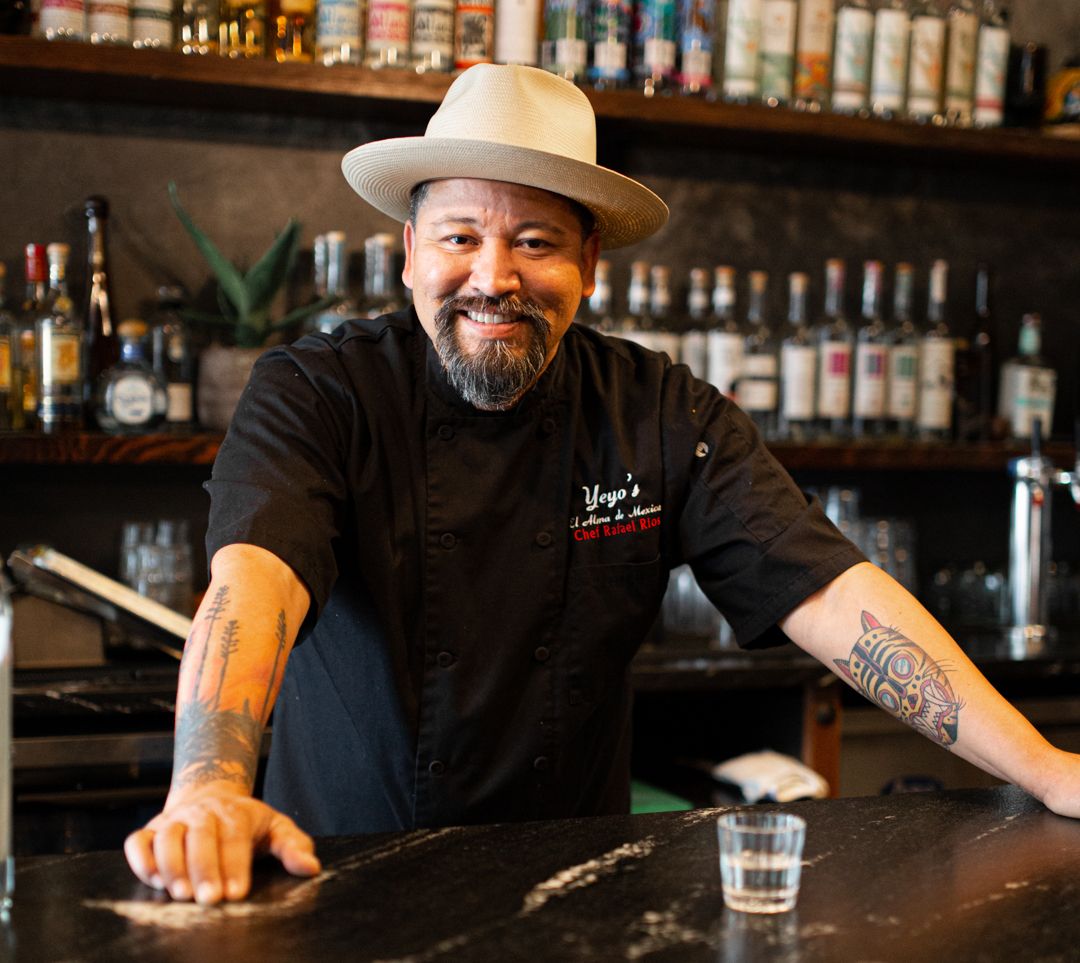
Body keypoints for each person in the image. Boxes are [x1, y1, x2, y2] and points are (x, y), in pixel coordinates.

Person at [125, 64, 1080, 906]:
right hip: (335, 883)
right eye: (460, 236)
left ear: (589, 264)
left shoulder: (658, 410)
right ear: (408, 250)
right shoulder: (319, 392)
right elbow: (252, 585)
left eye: (535, 242)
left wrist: (1044, 768)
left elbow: (828, 591)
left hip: (576, 893)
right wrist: (208, 784)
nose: (491, 277)